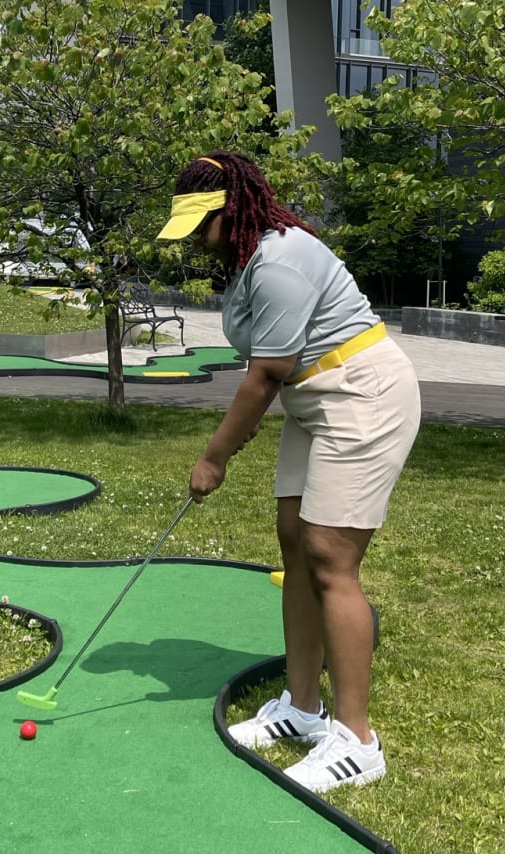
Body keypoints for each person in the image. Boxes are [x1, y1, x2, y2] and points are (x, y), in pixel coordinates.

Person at [157, 152, 421, 793]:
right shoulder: (249, 261)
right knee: (293, 542)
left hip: (363, 393)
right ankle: (304, 709)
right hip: (316, 399)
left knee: (330, 556)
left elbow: (264, 376)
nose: (195, 239)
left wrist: (213, 457)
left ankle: (358, 742)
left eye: (203, 223)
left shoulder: (277, 260)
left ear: (235, 206)